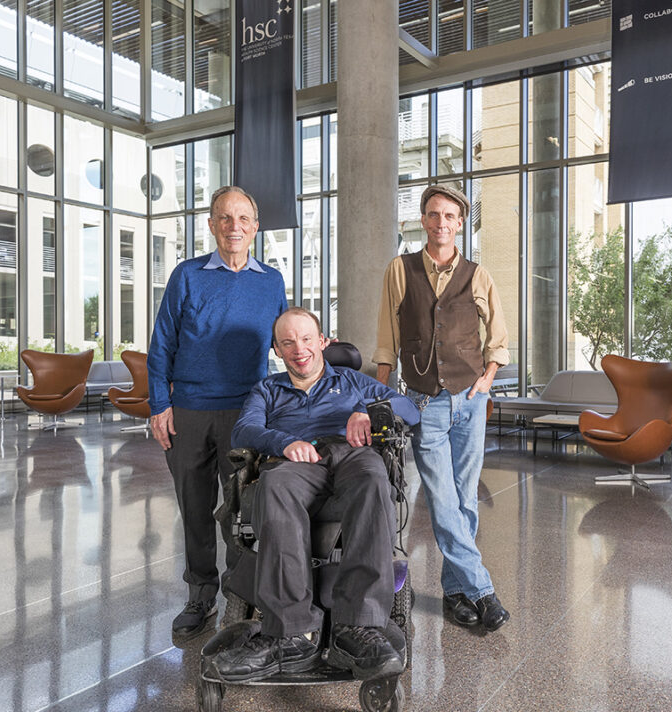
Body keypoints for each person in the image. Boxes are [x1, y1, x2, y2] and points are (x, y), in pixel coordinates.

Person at [212, 307, 420, 682]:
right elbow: (244, 430)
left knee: (374, 479)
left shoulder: (353, 381)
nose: (299, 349)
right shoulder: (268, 389)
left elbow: (410, 409)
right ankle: (290, 634)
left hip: (352, 454)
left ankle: (359, 626)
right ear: (276, 349)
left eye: (307, 339)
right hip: (296, 460)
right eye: (288, 342)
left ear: (323, 342)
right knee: (273, 485)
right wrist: (284, 441)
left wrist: (370, 412)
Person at [148, 186, 288, 637]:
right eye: (225, 218)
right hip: (188, 409)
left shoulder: (271, 281)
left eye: (243, 219)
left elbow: (285, 342)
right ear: (211, 225)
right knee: (194, 506)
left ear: (255, 227)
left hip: (245, 413)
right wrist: (159, 404)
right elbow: (162, 343)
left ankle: (240, 594)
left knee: (242, 511)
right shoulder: (187, 275)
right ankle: (200, 595)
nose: (234, 227)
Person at [373, 184, 512, 633]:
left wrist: (487, 380)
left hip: (470, 400)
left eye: (450, 216)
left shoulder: (478, 274)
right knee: (442, 498)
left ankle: (456, 592)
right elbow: (386, 337)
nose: (441, 223)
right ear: (423, 220)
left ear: (459, 223)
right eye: (433, 215)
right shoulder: (400, 269)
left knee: (465, 498)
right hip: (424, 400)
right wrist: (381, 391)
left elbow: (499, 336)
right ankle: (482, 590)